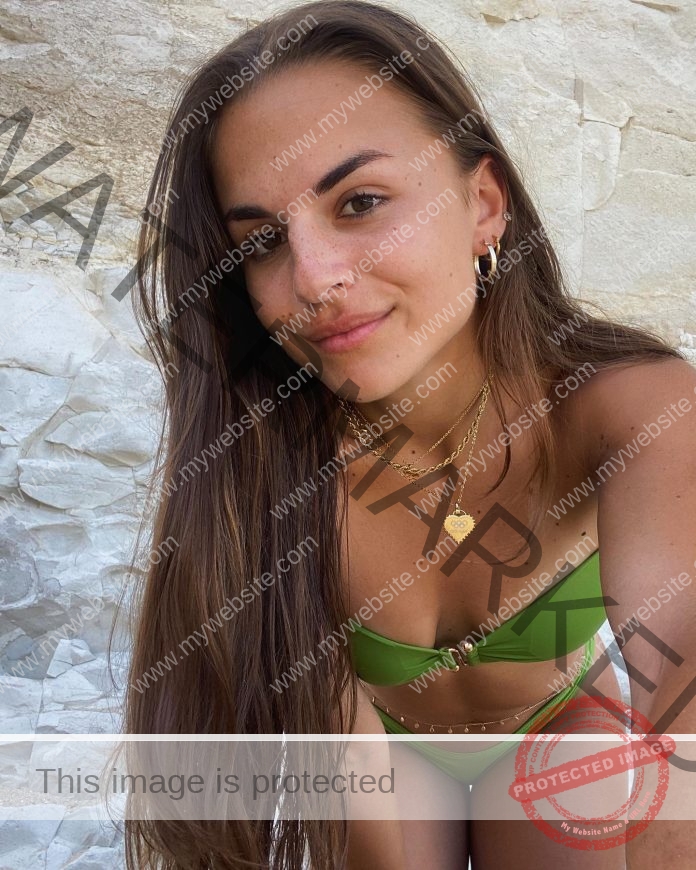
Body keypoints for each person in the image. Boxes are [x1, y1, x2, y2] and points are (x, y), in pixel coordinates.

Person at [121, 1, 696, 867]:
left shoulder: (621, 404)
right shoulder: (263, 445)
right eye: (263, 245)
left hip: (558, 723)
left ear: (485, 206)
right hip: (379, 740)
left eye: (360, 201)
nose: (312, 282)